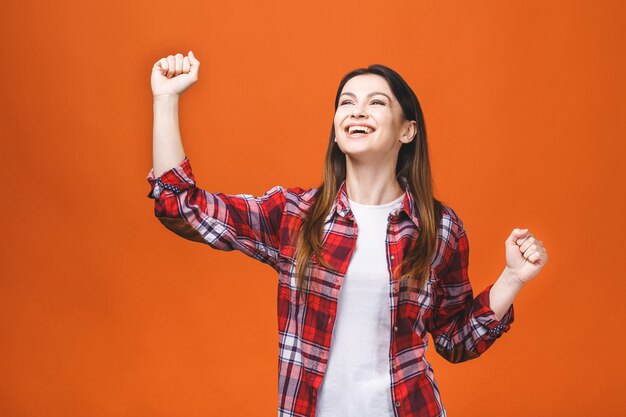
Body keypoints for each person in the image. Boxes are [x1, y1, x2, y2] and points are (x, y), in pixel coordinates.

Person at [146, 51, 549, 417]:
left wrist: (512, 279)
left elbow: (455, 341)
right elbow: (181, 207)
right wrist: (166, 101)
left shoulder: (440, 228)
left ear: (407, 130)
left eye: (376, 102)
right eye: (346, 103)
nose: (357, 111)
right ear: (337, 128)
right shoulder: (296, 215)